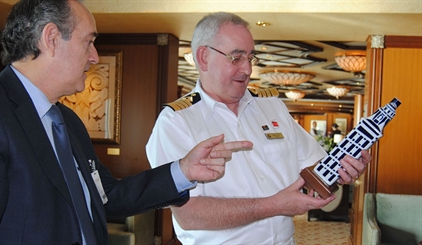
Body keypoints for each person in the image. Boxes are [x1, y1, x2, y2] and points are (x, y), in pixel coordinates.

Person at [0, 1, 253, 244]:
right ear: (52, 38)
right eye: (88, 41)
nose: (95, 56)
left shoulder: (65, 119)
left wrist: (183, 170)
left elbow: (107, 197)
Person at [146, 12, 371, 244]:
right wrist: (274, 205)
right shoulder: (176, 122)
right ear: (204, 57)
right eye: (236, 57)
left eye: (250, 58)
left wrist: (341, 168)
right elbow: (189, 215)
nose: (247, 69)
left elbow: (312, 165)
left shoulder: (272, 106)